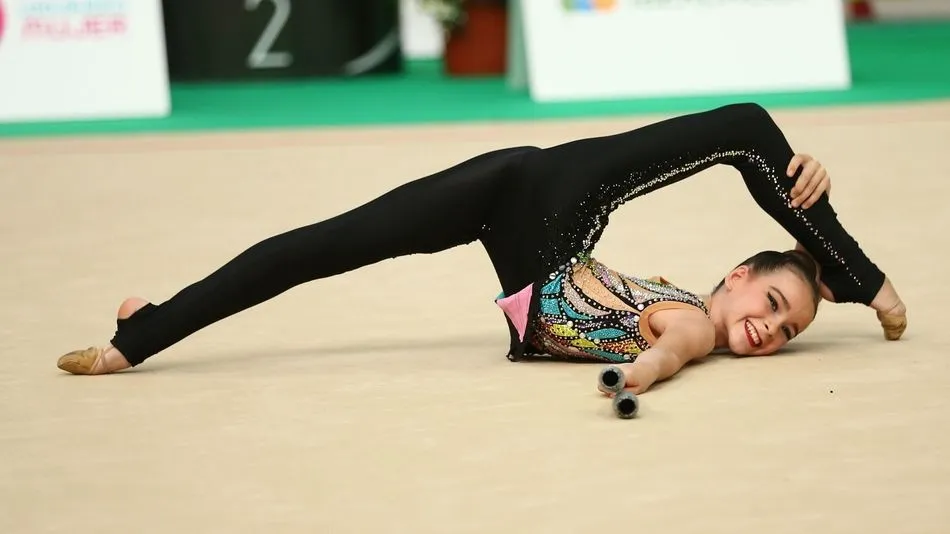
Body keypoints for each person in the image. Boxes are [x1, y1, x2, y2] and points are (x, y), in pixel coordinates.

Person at [56, 103, 907, 396]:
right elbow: (677, 345)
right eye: (770, 306)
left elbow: (696, 337)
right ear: (737, 275)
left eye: (787, 330)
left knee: (318, 249)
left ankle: (155, 321)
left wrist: (819, 277)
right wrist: (842, 266)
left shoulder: (700, 322)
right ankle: (141, 342)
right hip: (550, 213)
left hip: (524, 232)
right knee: (748, 133)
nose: (769, 329)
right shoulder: (688, 321)